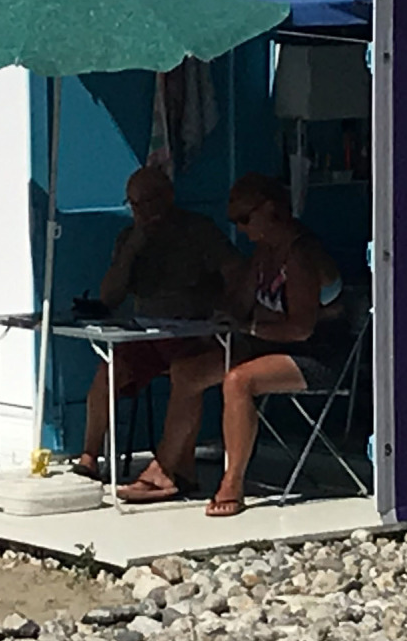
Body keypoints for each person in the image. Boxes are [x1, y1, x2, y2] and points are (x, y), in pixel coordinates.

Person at [120, 173, 348, 514]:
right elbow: (236, 305)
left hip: (316, 356)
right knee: (187, 370)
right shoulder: (263, 255)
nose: (240, 228)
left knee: (238, 381)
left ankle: (232, 483)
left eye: (244, 219)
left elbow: (300, 329)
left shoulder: (299, 255)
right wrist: (215, 315)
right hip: (268, 347)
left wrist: (249, 325)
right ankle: (170, 470)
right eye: (233, 220)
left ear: (270, 210)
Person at [71, 166, 237, 480]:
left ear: (168, 196)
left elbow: (234, 271)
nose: (144, 211)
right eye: (135, 204)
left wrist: (223, 310)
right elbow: (109, 297)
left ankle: (175, 466)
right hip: (145, 333)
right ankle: (90, 456)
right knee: (107, 374)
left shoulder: (198, 230)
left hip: (192, 332)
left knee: (188, 374)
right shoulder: (129, 239)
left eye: (149, 201)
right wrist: (133, 248)